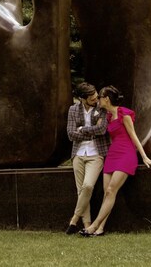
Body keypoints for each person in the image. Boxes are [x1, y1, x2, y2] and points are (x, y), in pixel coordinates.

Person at [80, 85, 151, 236]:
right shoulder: (107, 116)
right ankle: (101, 228)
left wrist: (144, 156)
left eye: (100, 97)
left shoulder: (125, 114)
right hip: (112, 154)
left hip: (126, 154)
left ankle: (94, 226)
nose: (98, 100)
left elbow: (134, 136)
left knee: (110, 190)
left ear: (107, 99)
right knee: (107, 193)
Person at [65, 82, 110, 234]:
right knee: (81, 191)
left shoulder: (101, 108)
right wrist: (91, 131)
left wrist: (82, 129)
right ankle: (87, 225)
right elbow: (71, 134)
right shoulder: (73, 109)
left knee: (88, 186)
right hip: (78, 154)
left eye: (96, 97)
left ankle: (74, 220)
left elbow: (102, 129)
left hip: (96, 154)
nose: (96, 100)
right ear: (82, 99)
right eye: (92, 99)